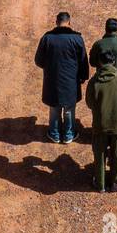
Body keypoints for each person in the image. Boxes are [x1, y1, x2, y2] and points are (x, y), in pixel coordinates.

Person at [34, 12, 89, 144]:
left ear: (56, 22)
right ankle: (69, 135)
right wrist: (83, 77)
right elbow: (83, 61)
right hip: (71, 82)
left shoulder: (47, 38)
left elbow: (38, 60)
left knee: (54, 108)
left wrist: (49, 69)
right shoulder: (77, 39)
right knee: (69, 109)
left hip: (52, 81)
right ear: (69, 23)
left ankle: (55, 133)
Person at [85, 48, 117, 192]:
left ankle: (100, 184)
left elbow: (89, 102)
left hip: (100, 124)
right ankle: (114, 183)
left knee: (100, 155)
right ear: (113, 62)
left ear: (100, 63)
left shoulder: (94, 81)